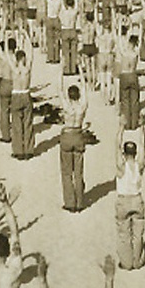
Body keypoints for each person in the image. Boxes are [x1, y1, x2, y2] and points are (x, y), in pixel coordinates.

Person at [113, 124, 145, 270]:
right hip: (137, 199)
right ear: (135, 153)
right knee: (138, 234)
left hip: (123, 200)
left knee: (124, 233)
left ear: (124, 153)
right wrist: (142, 128)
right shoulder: (139, 165)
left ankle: (127, 262)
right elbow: (143, 145)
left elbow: (116, 145)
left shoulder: (121, 166)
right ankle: (137, 261)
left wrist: (121, 127)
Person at [60, 77, 89, 212]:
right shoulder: (82, 106)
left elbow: (60, 89)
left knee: (67, 172)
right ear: (79, 95)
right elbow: (85, 88)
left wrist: (61, 71)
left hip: (67, 135)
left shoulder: (67, 106)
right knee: (78, 172)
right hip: (78, 134)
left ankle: (70, 202)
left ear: (69, 96)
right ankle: (80, 202)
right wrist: (81, 72)